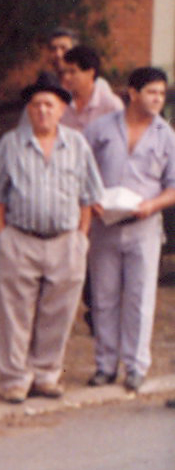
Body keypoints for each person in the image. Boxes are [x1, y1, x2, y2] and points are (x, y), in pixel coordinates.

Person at [0, 73, 104, 403]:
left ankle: (47, 374)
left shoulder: (77, 145)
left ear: (62, 109)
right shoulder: (10, 143)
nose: (42, 111)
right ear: (28, 109)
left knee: (59, 312)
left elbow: (89, 196)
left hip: (65, 240)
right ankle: (14, 378)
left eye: (49, 105)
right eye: (36, 104)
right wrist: (4, 238)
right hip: (21, 239)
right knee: (14, 314)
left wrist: (80, 238)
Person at [83, 67, 175, 392]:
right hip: (105, 224)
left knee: (140, 298)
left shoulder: (166, 135)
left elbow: (173, 186)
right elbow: (82, 168)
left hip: (144, 226)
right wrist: (89, 200)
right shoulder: (100, 128)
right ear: (132, 93)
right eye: (151, 92)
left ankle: (136, 367)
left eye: (162, 93)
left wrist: (152, 205)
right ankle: (105, 365)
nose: (157, 98)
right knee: (104, 297)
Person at [58, 45, 123, 134]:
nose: (66, 77)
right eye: (65, 72)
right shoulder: (60, 102)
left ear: (90, 73)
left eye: (72, 72)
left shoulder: (111, 105)